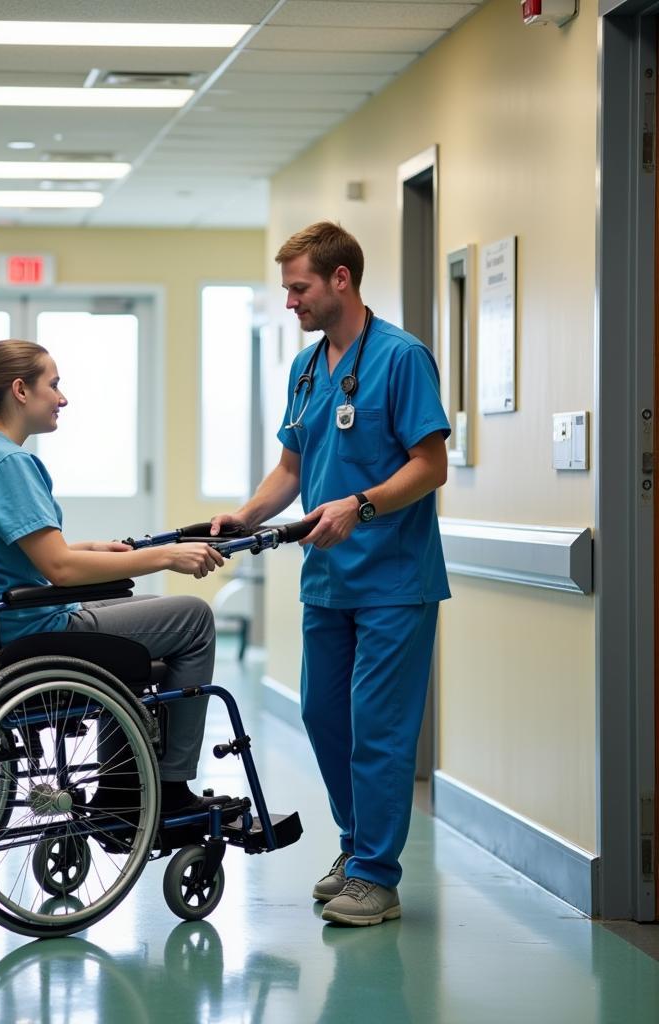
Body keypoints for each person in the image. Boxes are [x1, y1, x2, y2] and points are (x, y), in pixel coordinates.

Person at [212, 222, 450, 926]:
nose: (290, 301)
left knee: (378, 726)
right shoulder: (307, 369)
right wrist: (246, 517)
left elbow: (429, 465)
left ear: (340, 279)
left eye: (299, 287)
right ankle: (357, 848)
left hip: (394, 580)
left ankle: (377, 875)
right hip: (328, 579)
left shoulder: (402, 359)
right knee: (323, 716)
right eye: (288, 288)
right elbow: (292, 468)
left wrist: (362, 504)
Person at [0, 338, 227, 815]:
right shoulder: (9, 464)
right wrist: (166, 556)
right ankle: (172, 789)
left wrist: (89, 547)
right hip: (33, 632)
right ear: (20, 390)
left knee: (135, 607)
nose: (62, 397)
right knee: (194, 619)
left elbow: (12, 554)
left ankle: (125, 786)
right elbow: (59, 569)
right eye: (53, 385)